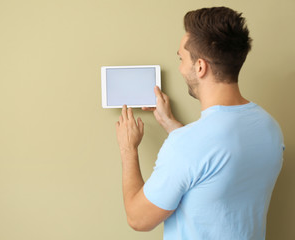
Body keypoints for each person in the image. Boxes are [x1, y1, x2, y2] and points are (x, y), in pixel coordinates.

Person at [115, 6, 284, 240]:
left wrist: (128, 148)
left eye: (181, 58)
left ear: (200, 67)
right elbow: (214, 166)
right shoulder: (270, 127)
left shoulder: (186, 145)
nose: (180, 67)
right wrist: (170, 123)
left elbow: (138, 219)